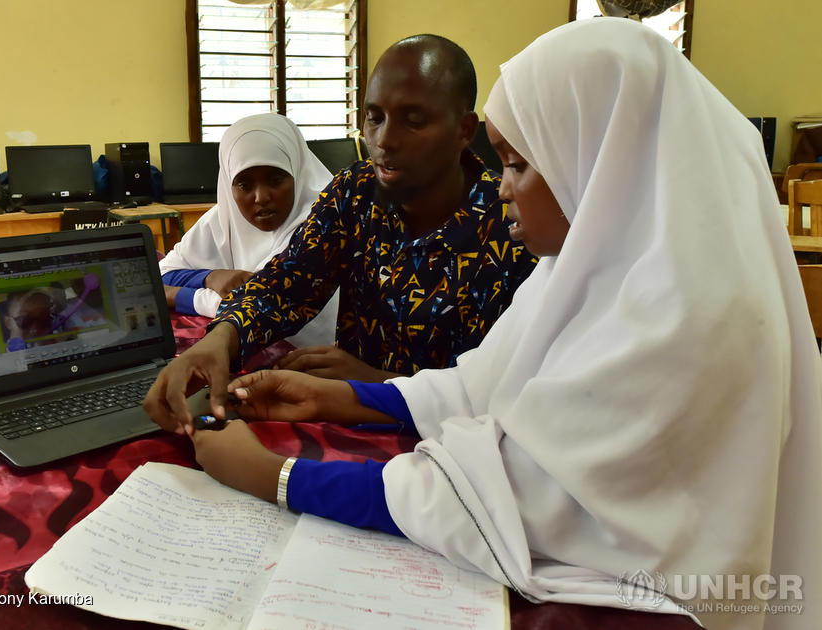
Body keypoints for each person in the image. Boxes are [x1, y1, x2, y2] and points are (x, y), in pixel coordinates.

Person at [166, 18, 822, 630]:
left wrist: (277, 477)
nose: (505, 187)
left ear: (596, 162)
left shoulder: (679, 316)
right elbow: (482, 382)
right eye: (372, 118)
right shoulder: (579, 265)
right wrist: (339, 396)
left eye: (517, 164)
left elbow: (513, 492)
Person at [144, 34, 537, 427]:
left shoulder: (513, 224)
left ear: (465, 130)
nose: (383, 140)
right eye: (374, 117)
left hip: (453, 448)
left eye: (413, 121)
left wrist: (375, 384)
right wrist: (221, 338)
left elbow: (508, 391)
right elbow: (288, 283)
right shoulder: (356, 191)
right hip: (341, 421)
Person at [158, 112, 338, 348]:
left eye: (275, 180)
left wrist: (177, 295)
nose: (261, 197)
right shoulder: (222, 218)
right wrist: (210, 277)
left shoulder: (324, 222)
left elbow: (258, 307)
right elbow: (162, 275)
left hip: (314, 369)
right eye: (244, 184)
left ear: (297, 173)